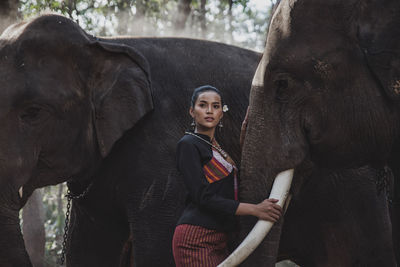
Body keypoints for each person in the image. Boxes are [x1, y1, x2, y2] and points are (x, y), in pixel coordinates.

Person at [172, 85, 282, 267]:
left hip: (220, 238)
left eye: (216, 106)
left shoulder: (218, 148)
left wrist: (247, 137)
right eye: (203, 105)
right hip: (195, 239)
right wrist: (255, 209)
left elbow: (232, 183)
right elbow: (202, 196)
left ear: (221, 114)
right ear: (192, 111)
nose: (209, 111)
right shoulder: (188, 144)